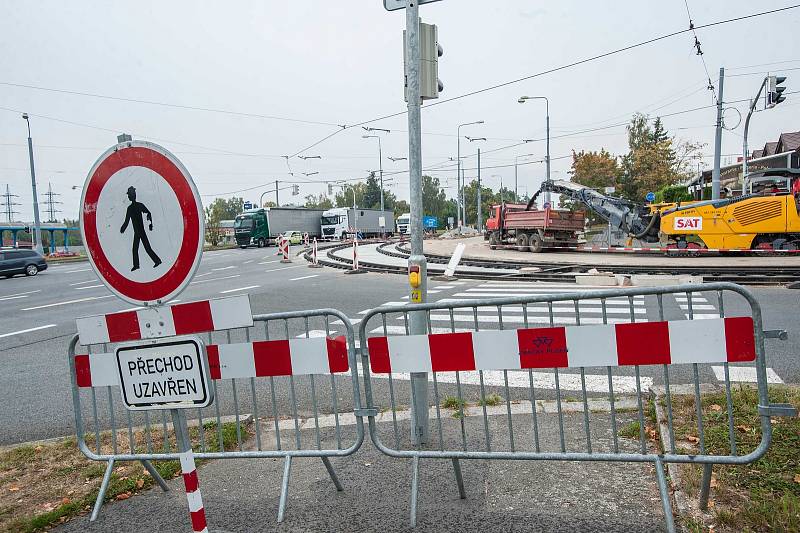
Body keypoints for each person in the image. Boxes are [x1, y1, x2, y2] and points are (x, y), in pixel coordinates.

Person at [120, 186, 161, 271]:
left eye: (129, 195)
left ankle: (156, 261)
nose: (128, 196)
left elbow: (148, 213)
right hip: (138, 232)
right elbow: (127, 221)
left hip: (140, 232)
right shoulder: (132, 207)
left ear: (132, 195)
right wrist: (123, 228)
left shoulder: (135, 207)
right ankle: (151, 262)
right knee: (140, 249)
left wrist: (150, 224)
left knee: (143, 248)